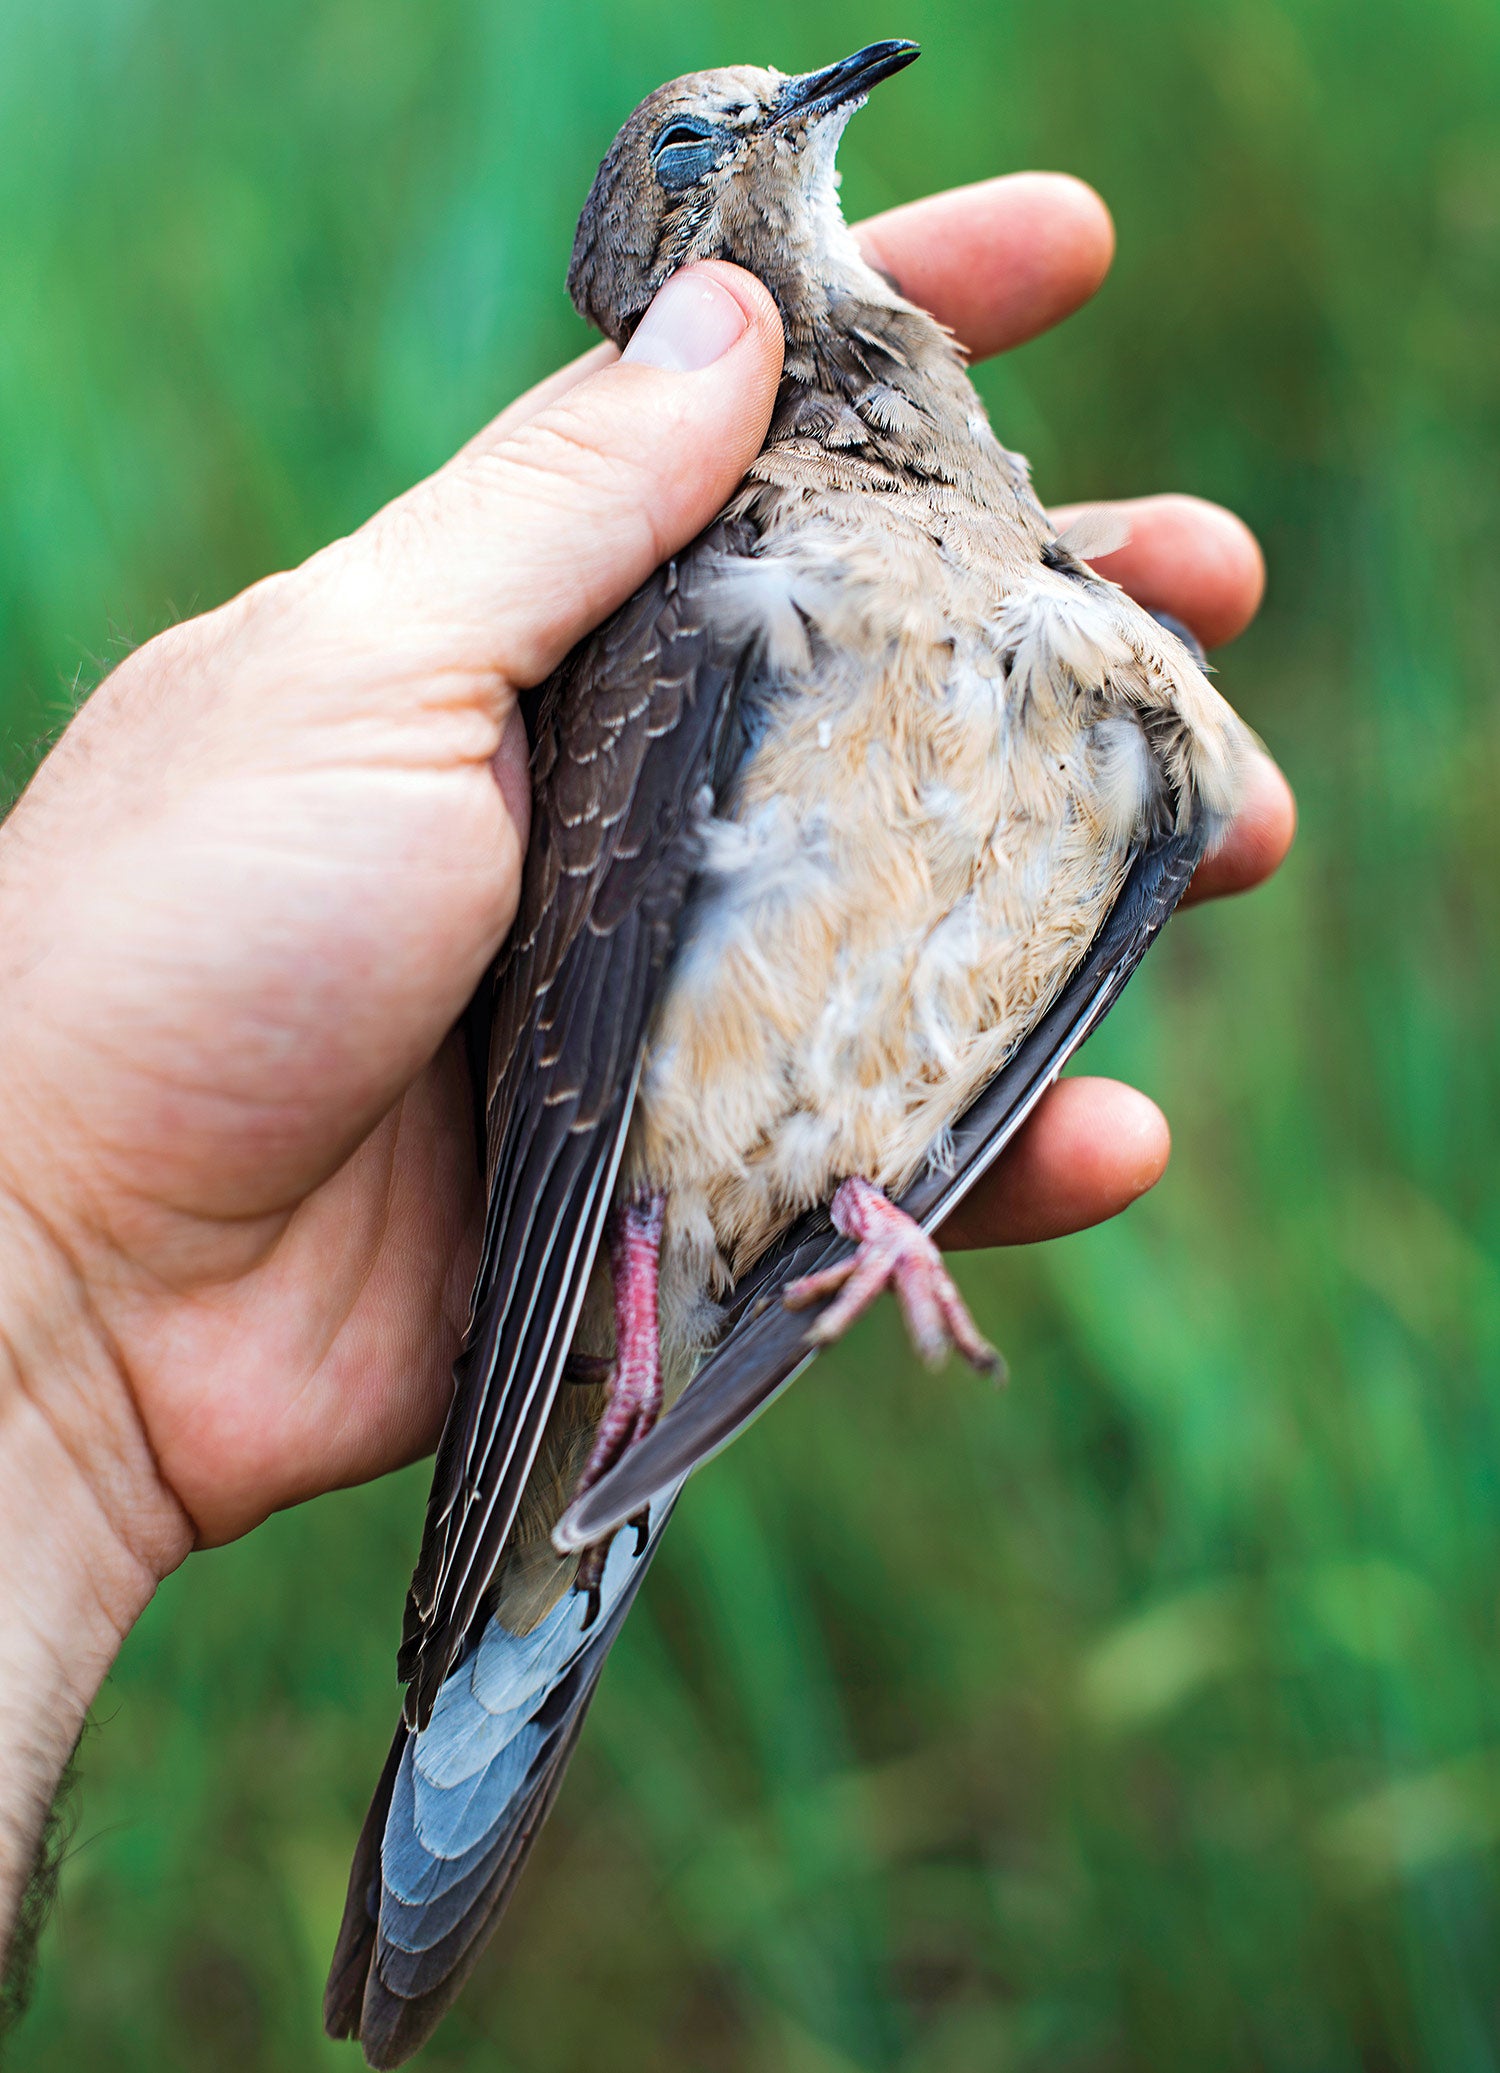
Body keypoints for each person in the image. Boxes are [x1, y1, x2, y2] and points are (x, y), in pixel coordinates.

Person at [0, 172, 1293, 1985]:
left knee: (1164, 739)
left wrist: (50, 1314)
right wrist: (45, 1271)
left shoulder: (1055, 633)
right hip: (627, 1186)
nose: (776, 139)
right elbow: (598, 1055)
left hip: (805, 1135)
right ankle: (657, 1389)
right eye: (710, 152)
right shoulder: (703, 579)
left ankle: (837, 1219)